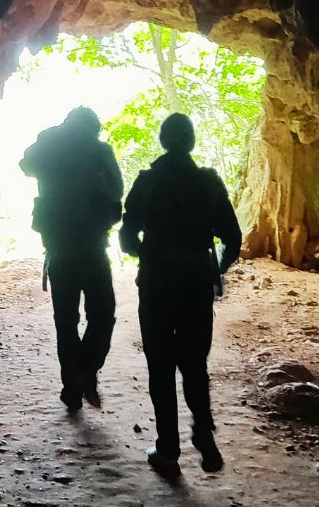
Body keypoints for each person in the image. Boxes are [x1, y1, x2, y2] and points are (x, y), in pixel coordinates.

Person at [119, 112, 241, 477]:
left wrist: (145, 252)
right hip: (195, 281)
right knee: (194, 362)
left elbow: (126, 236)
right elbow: (232, 238)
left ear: (163, 141)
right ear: (190, 142)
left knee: (160, 366)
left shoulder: (147, 181)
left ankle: (168, 449)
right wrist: (214, 269)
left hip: (157, 281)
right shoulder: (209, 182)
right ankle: (203, 428)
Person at [20, 107, 123, 411]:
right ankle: (86, 371)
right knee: (103, 315)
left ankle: (73, 387)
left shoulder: (49, 143)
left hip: (59, 249)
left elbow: (26, 164)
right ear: (93, 127)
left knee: (65, 322)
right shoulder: (99, 150)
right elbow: (117, 190)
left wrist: (52, 139)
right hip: (92, 247)